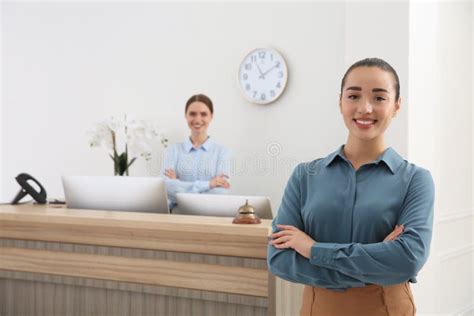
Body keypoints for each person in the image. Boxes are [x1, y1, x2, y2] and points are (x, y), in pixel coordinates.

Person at [268, 58, 434, 315]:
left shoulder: (416, 180)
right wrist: (375, 266)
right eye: (354, 96)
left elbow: (408, 260)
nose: (365, 108)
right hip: (317, 309)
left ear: (396, 106)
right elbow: (279, 260)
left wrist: (312, 249)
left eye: (379, 98)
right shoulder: (305, 176)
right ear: (340, 102)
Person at [161, 94, 231, 209]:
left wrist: (178, 184)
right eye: (192, 114)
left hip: (209, 215)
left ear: (211, 116)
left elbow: (220, 193)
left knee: (220, 193)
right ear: (186, 115)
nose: (198, 119)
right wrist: (209, 184)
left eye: (204, 114)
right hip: (179, 217)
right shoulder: (173, 150)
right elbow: (165, 187)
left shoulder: (222, 152)